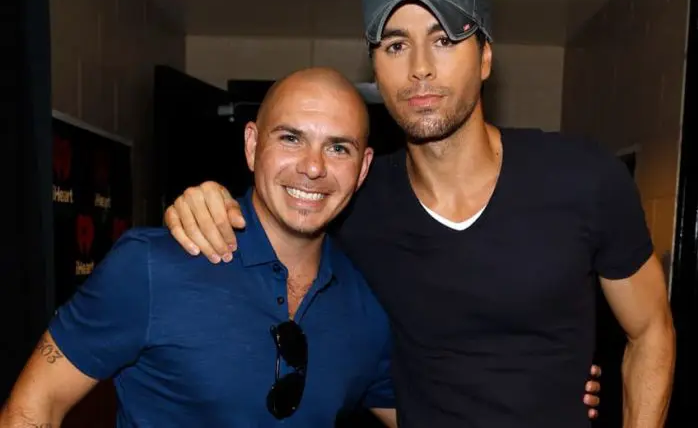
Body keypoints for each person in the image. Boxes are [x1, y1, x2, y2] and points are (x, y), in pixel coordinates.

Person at [164, 0, 676, 428]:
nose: (420, 68)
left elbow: (651, 330)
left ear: (485, 57)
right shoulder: (352, 203)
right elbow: (274, 233)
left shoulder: (582, 177)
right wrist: (205, 203)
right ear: (376, 68)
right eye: (396, 45)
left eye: (444, 39)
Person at [0, 68, 402, 427]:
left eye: (338, 148)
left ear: (363, 167)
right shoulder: (151, 266)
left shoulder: (369, 302)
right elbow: (32, 407)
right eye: (291, 138)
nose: (313, 167)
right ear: (252, 145)